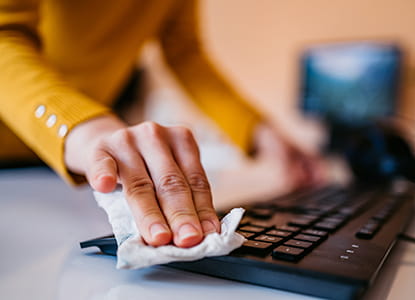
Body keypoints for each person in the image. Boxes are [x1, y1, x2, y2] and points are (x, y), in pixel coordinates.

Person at [0, 0, 316, 249]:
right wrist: (86, 128)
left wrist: (262, 133)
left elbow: (185, 52)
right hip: (49, 141)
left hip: (67, 163)